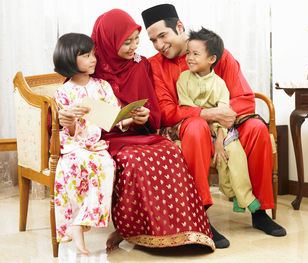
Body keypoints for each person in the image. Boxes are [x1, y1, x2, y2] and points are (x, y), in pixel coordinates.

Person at [141, 4, 287, 245]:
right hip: (186, 127)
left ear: (179, 27)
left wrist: (222, 116)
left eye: (162, 36)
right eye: (153, 40)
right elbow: (166, 111)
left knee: (257, 129)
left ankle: (260, 212)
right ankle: (200, 215)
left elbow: (245, 99)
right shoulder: (154, 65)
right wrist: (207, 113)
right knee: (197, 127)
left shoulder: (216, 53)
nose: (158, 45)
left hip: (224, 125)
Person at [90, 9, 214, 251]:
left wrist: (144, 116)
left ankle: (187, 230)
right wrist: (111, 121)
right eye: (127, 42)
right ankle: (139, 231)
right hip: (105, 138)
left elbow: (154, 111)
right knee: (134, 160)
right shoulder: (88, 67)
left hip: (139, 135)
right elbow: (74, 107)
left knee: (169, 151)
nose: (134, 47)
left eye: (136, 40)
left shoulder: (139, 65)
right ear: (108, 40)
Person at [53, 33, 127, 255]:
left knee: (107, 165)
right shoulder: (63, 92)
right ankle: (75, 225)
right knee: (74, 165)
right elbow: (69, 131)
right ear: (68, 58)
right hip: (73, 146)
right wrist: (71, 120)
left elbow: (114, 119)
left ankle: (80, 221)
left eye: (93, 54)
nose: (93, 59)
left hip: (96, 145)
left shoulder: (103, 86)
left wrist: (132, 116)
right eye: (86, 55)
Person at [177, 27, 261, 214]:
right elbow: (187, 108)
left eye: (195, 54)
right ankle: (232, 193)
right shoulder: (183, 79)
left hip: (220, 129)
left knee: (235, 153)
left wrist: (220, 141)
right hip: (198, 127)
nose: (189, 57)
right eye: (188, 53)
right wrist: (208, 121)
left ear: (211, 59)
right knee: (221, 160)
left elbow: (223, 112)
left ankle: (244, 198)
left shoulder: (220, 84)